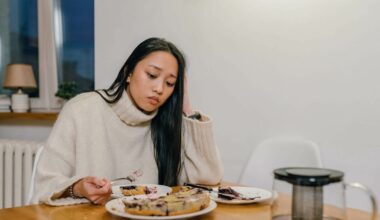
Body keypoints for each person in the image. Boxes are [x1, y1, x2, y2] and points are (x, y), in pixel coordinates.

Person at [31, 37, 223, 206]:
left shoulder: (167, 124)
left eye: (170, 83)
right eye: (152, 75)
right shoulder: (81, 110)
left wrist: (187, 108)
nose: (159, 88)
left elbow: (208, 179)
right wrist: (78, 188)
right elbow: (45, 186)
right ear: (128, 73)